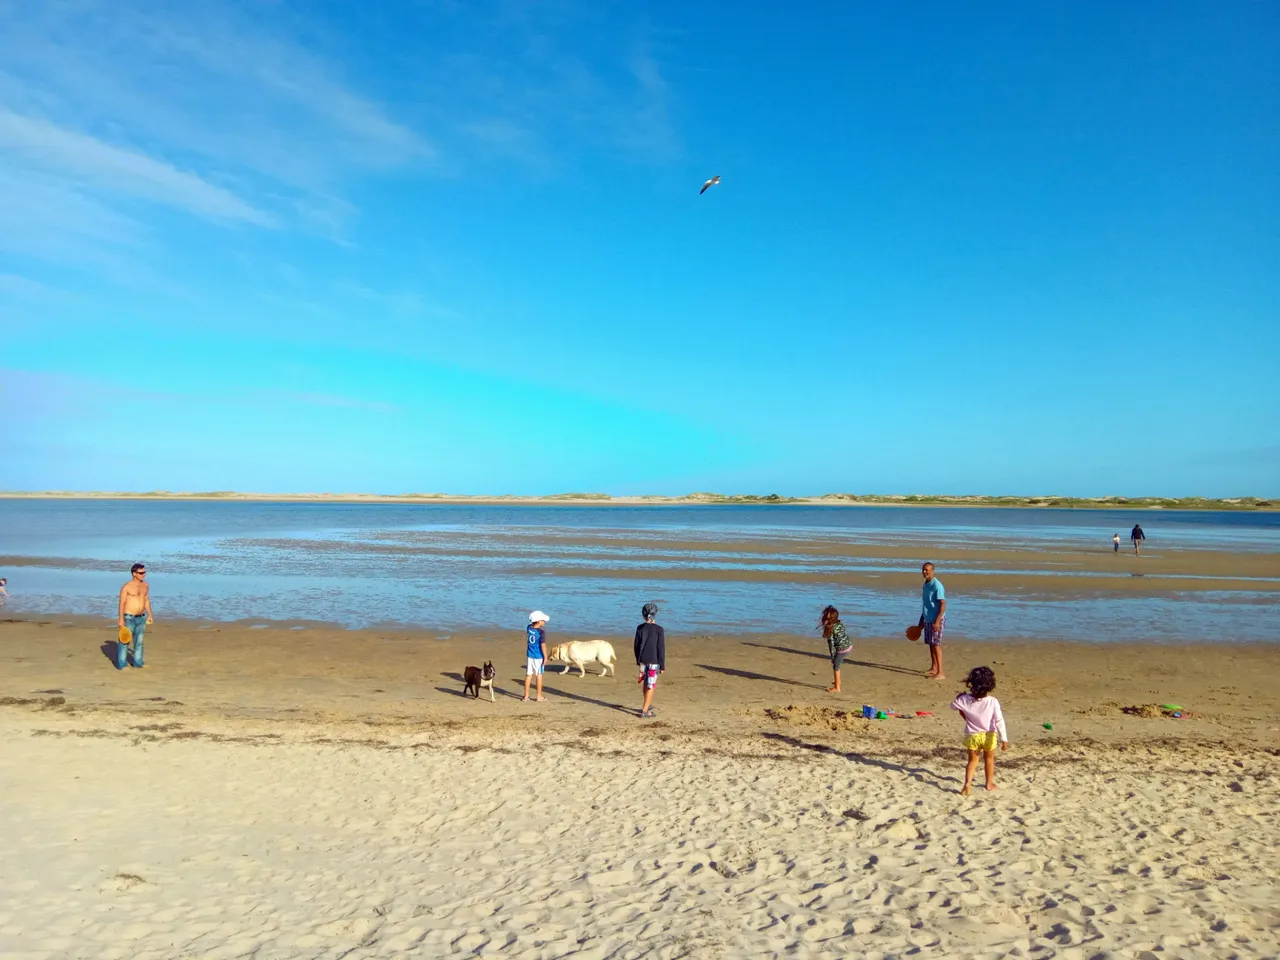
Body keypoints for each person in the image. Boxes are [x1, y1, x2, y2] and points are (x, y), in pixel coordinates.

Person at [950, 666, 1010, 795]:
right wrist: (1004, 739)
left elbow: (953, 706)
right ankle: (989, 783)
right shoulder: (993, 701)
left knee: (972, 761)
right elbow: (999, 720)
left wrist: (960, 698)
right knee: (989, 760)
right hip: (989, 735)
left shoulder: (964, 699)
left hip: (973, 735)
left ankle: (967, 784)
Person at [116, 562, 153, 670]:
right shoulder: (126, 587)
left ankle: (138, 663)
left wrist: (150, 615)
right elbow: (122, 603)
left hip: (141, 617)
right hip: (129, 617)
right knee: (124, 641)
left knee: (139, 642)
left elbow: (146, 600)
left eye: (144, 572)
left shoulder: (145, 585)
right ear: (134, 573)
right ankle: (122, 665)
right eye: (141, 573)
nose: (143, 574)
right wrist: (121, 619)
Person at [634, 602, 665, 718]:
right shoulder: (659, 630)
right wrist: (662, 666)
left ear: (643, 615)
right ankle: (645, 710)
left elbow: (636, 646)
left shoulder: (640, 628)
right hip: (653, 662)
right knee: (651, 685)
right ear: (655, 614)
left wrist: (638, 660)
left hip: (642, 660)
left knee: (645, 683)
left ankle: (647, 704)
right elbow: (660, 648)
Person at [918, 562, 947, 680]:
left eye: (927, 570)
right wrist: (921, 622)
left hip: (936, 619)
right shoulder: (926, 584)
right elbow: (926, 605)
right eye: (923, 570)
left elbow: (943, 603)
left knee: (936, 645)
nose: (924, 572)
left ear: (933, 571)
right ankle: (934, 667)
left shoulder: (937, 585)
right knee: (930, 644)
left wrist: (937, 621)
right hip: (927, 618)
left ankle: (941, 673)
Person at [818, 605, 851, 693]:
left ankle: (837, 687)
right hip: (849, 647)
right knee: (837, 664)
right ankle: (838, 681)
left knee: (836, 667)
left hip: (842, 650)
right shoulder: (840, 623)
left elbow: (831, 645)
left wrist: (833, 657)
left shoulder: (830, 628)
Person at [522, 610, 549, 702]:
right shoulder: (541, 632)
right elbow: (543, 645)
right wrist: (545, 657)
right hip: (538, 657)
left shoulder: (529, 628)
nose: (544, 622)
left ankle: (526, 696)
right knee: (539, 675)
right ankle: (539, 696)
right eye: (543, 620)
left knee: (528, 675)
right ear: (538, 621)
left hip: (530, 655)